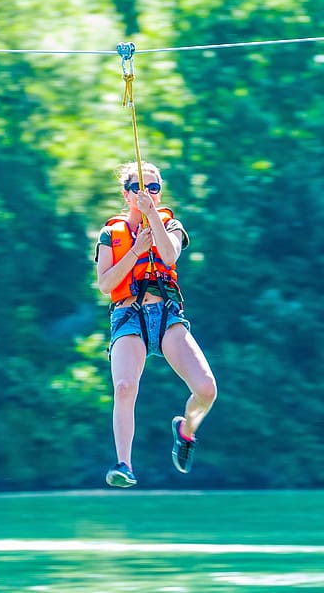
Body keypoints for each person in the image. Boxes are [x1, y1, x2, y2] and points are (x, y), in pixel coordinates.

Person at [95, 160, 217, 487]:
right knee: (124, 387)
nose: (145, 193)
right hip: (128, 313)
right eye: (137, 188)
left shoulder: (171, 225)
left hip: (165, 313)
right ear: (126, 194)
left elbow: (169, 256)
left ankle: (185, 431)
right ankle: (124, 464)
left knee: (206, 389)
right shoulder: (111, 234)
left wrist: (153, 221)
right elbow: (105, 283)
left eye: (152, 188)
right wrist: (135, 250)